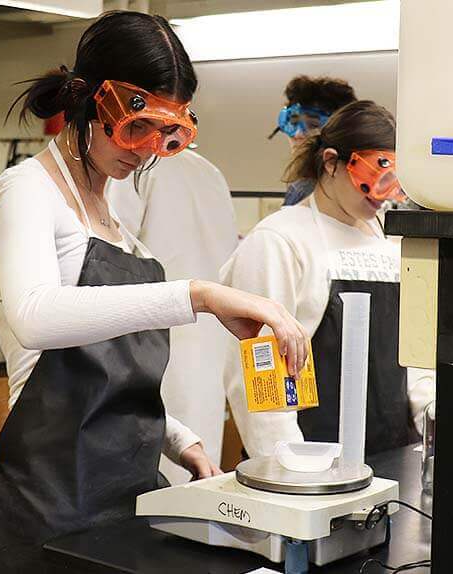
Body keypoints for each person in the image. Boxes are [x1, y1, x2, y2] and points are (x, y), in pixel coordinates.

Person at [0, 11, 308, 573]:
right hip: (48, 502)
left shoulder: (115, 223)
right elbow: (36, 319)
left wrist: (180, 439)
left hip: (126, 496)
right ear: (90, 103)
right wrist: (198, 295)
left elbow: (101, 370)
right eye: (136, 128)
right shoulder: (25, 191)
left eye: (168, 135)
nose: (148, 149)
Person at [220, 100, 435, 460]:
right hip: (309, 465)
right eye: (370, 179)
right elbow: (259, 375)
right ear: (331, 162)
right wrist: (291, 472)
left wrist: (429, 418)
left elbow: (413, 360)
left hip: (391, 456)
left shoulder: (391, 245)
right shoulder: (280, 240)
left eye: (391, 184)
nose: (379, 198)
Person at [107, 148, 238, 483]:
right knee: (198, 488)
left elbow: (109, 259)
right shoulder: (212, 172)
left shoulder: (134, 170)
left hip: (155, 346)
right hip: (208, 342)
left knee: (160, 494)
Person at [268, 75, 357, 206]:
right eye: (292, 123)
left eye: (313, 125)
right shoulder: (349, 187)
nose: (298, 134)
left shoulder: (310, 189)